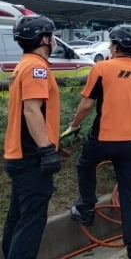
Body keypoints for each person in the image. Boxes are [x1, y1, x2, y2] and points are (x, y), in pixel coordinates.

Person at [66, 24, 131, 259]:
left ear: (115, 46)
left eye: (111, 43)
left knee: (85, 165)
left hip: (103, 138)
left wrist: (74, 126)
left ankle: (86, 208)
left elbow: (87, 105)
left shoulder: (102, 68)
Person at [2, 15, 61, 259]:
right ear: (45, 39)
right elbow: (32, 109)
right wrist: (46, 149)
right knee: (32, 221)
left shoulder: (24, 64)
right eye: (53, 35)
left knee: (18, 217)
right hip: (31, 158)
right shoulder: (37, 68)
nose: (55, 40)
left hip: (19, 155)